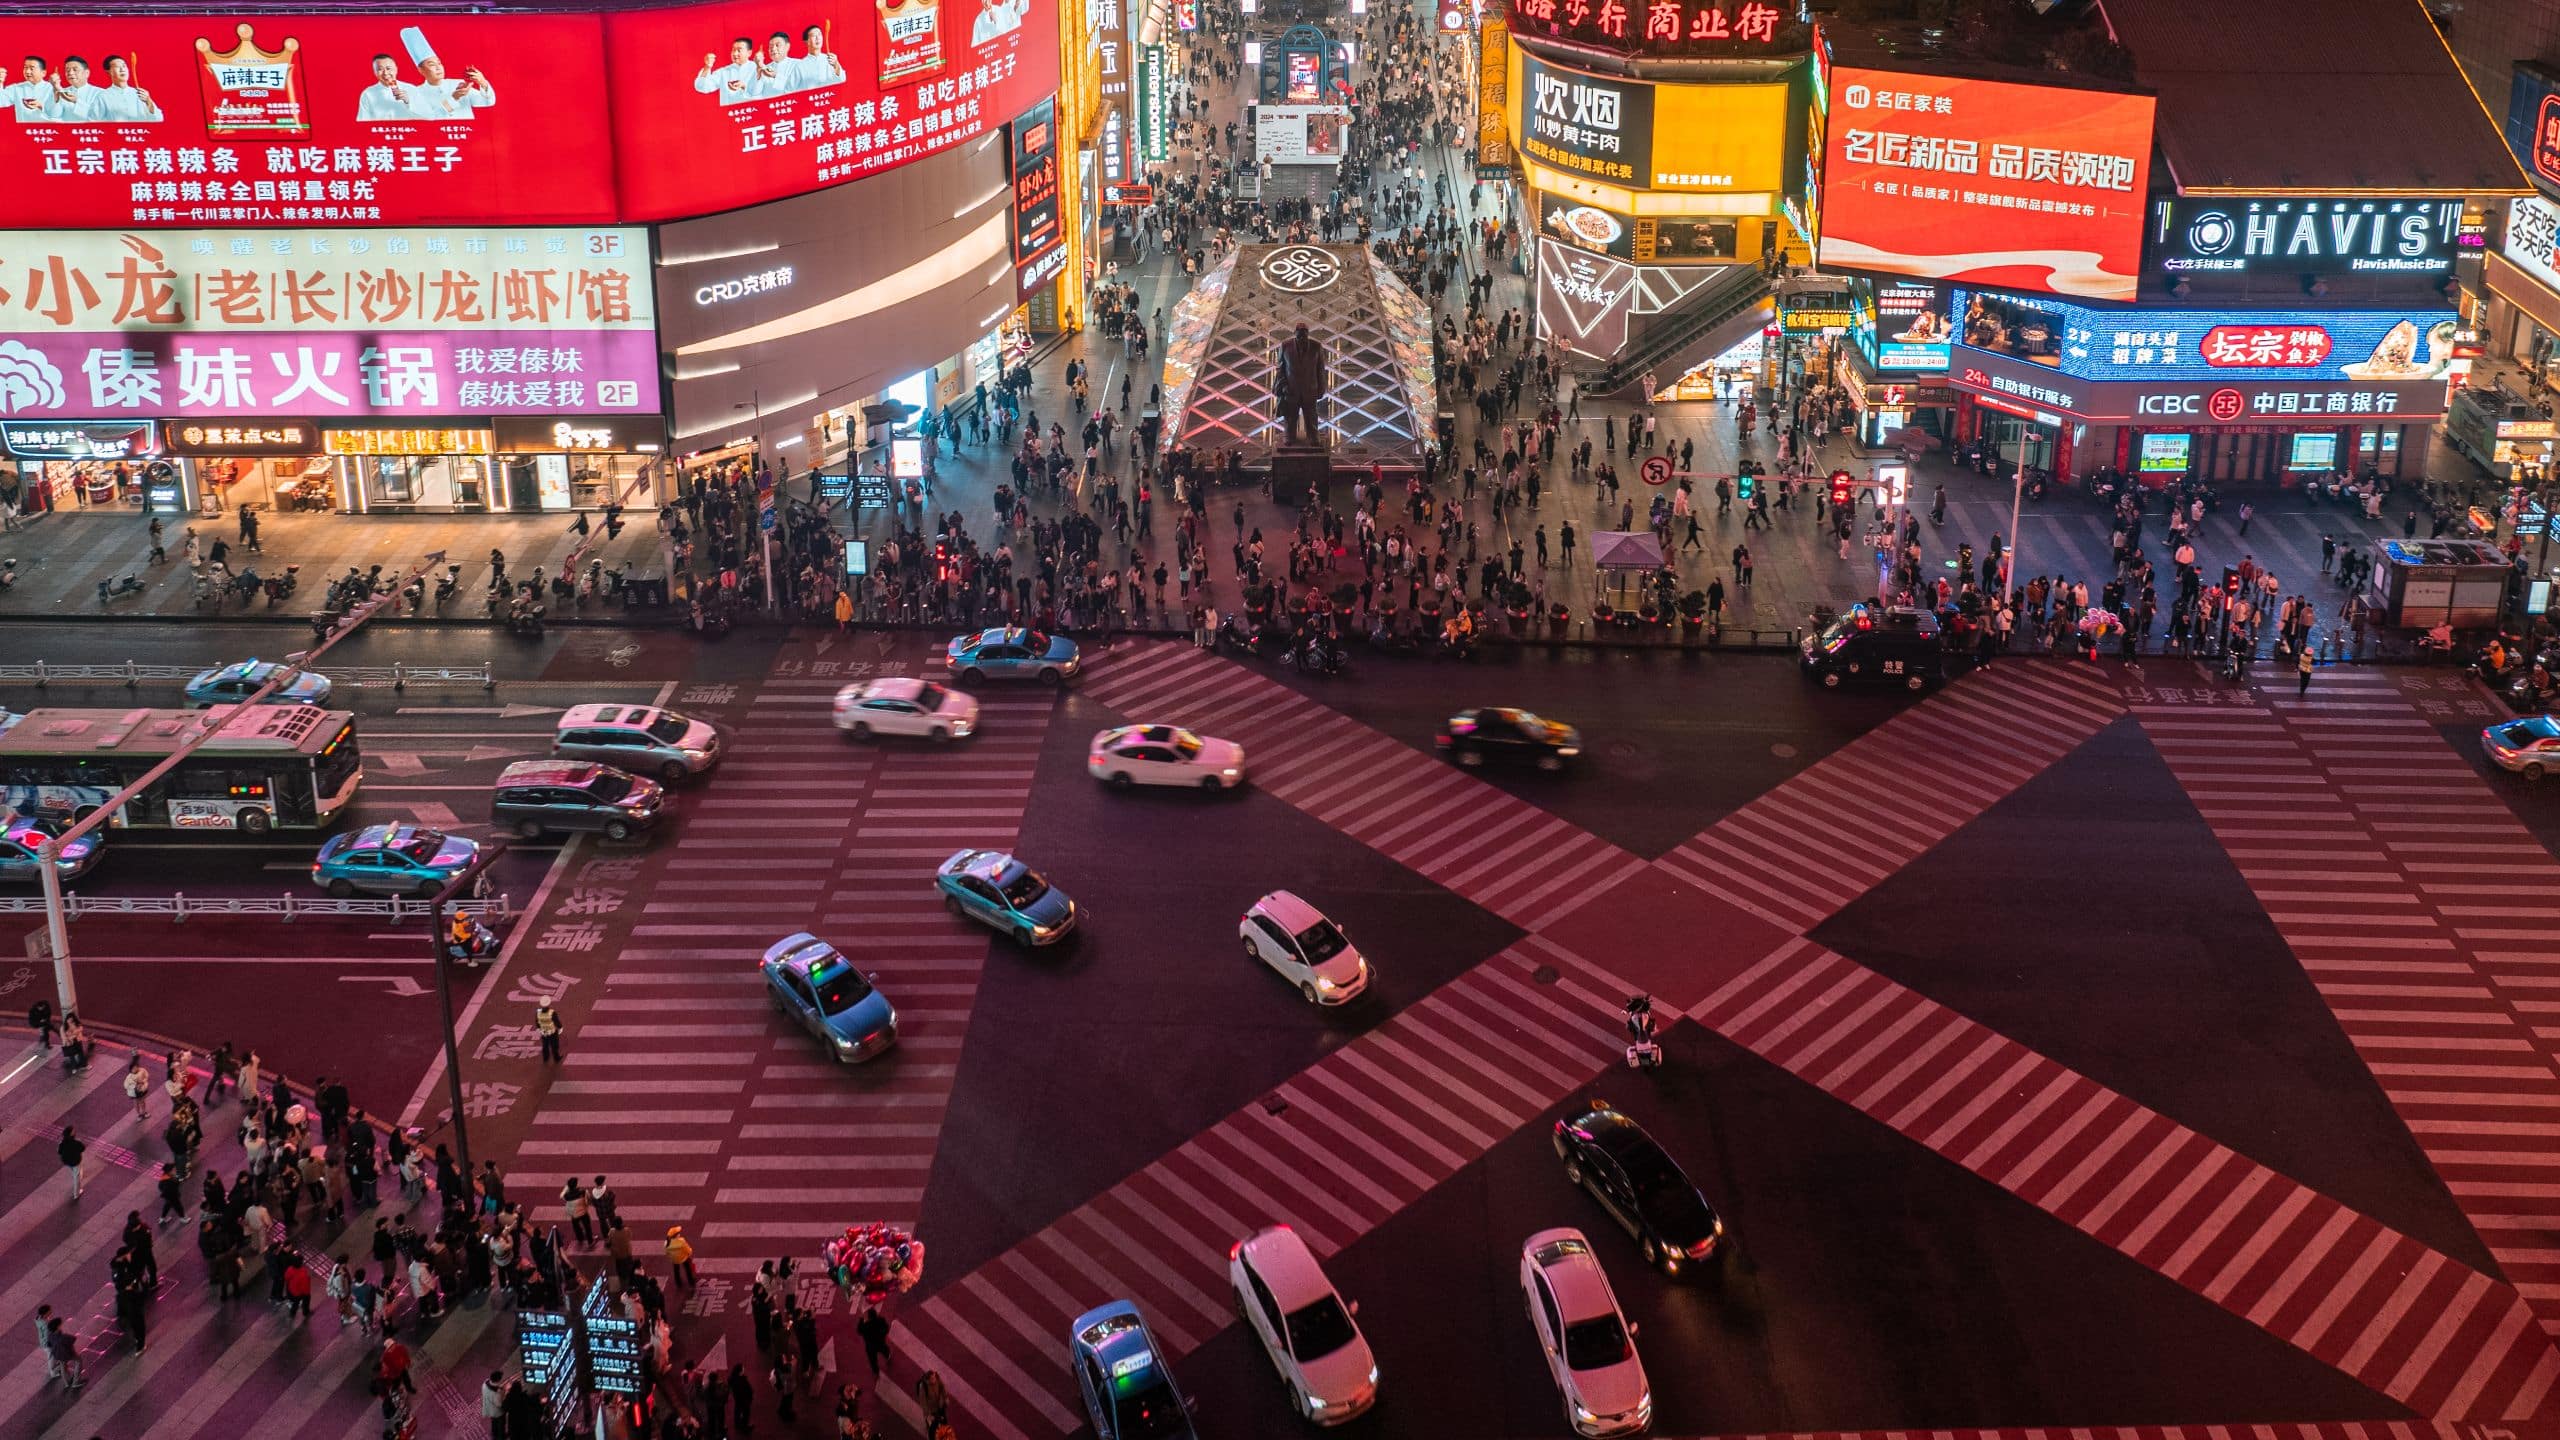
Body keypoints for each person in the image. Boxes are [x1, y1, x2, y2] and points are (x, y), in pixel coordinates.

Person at [58, 1125, 83, 1199]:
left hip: (67, 1161)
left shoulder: (62, 1143)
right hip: (75, 1161)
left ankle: (75, 1175)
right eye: (73, 1131)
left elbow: (59, 1152)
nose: (74, 1131)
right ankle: (76, 1194)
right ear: (71, 1133)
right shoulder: (76, 1142)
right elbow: (82, 1148)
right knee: (76, 1178)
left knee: (74, 1172)